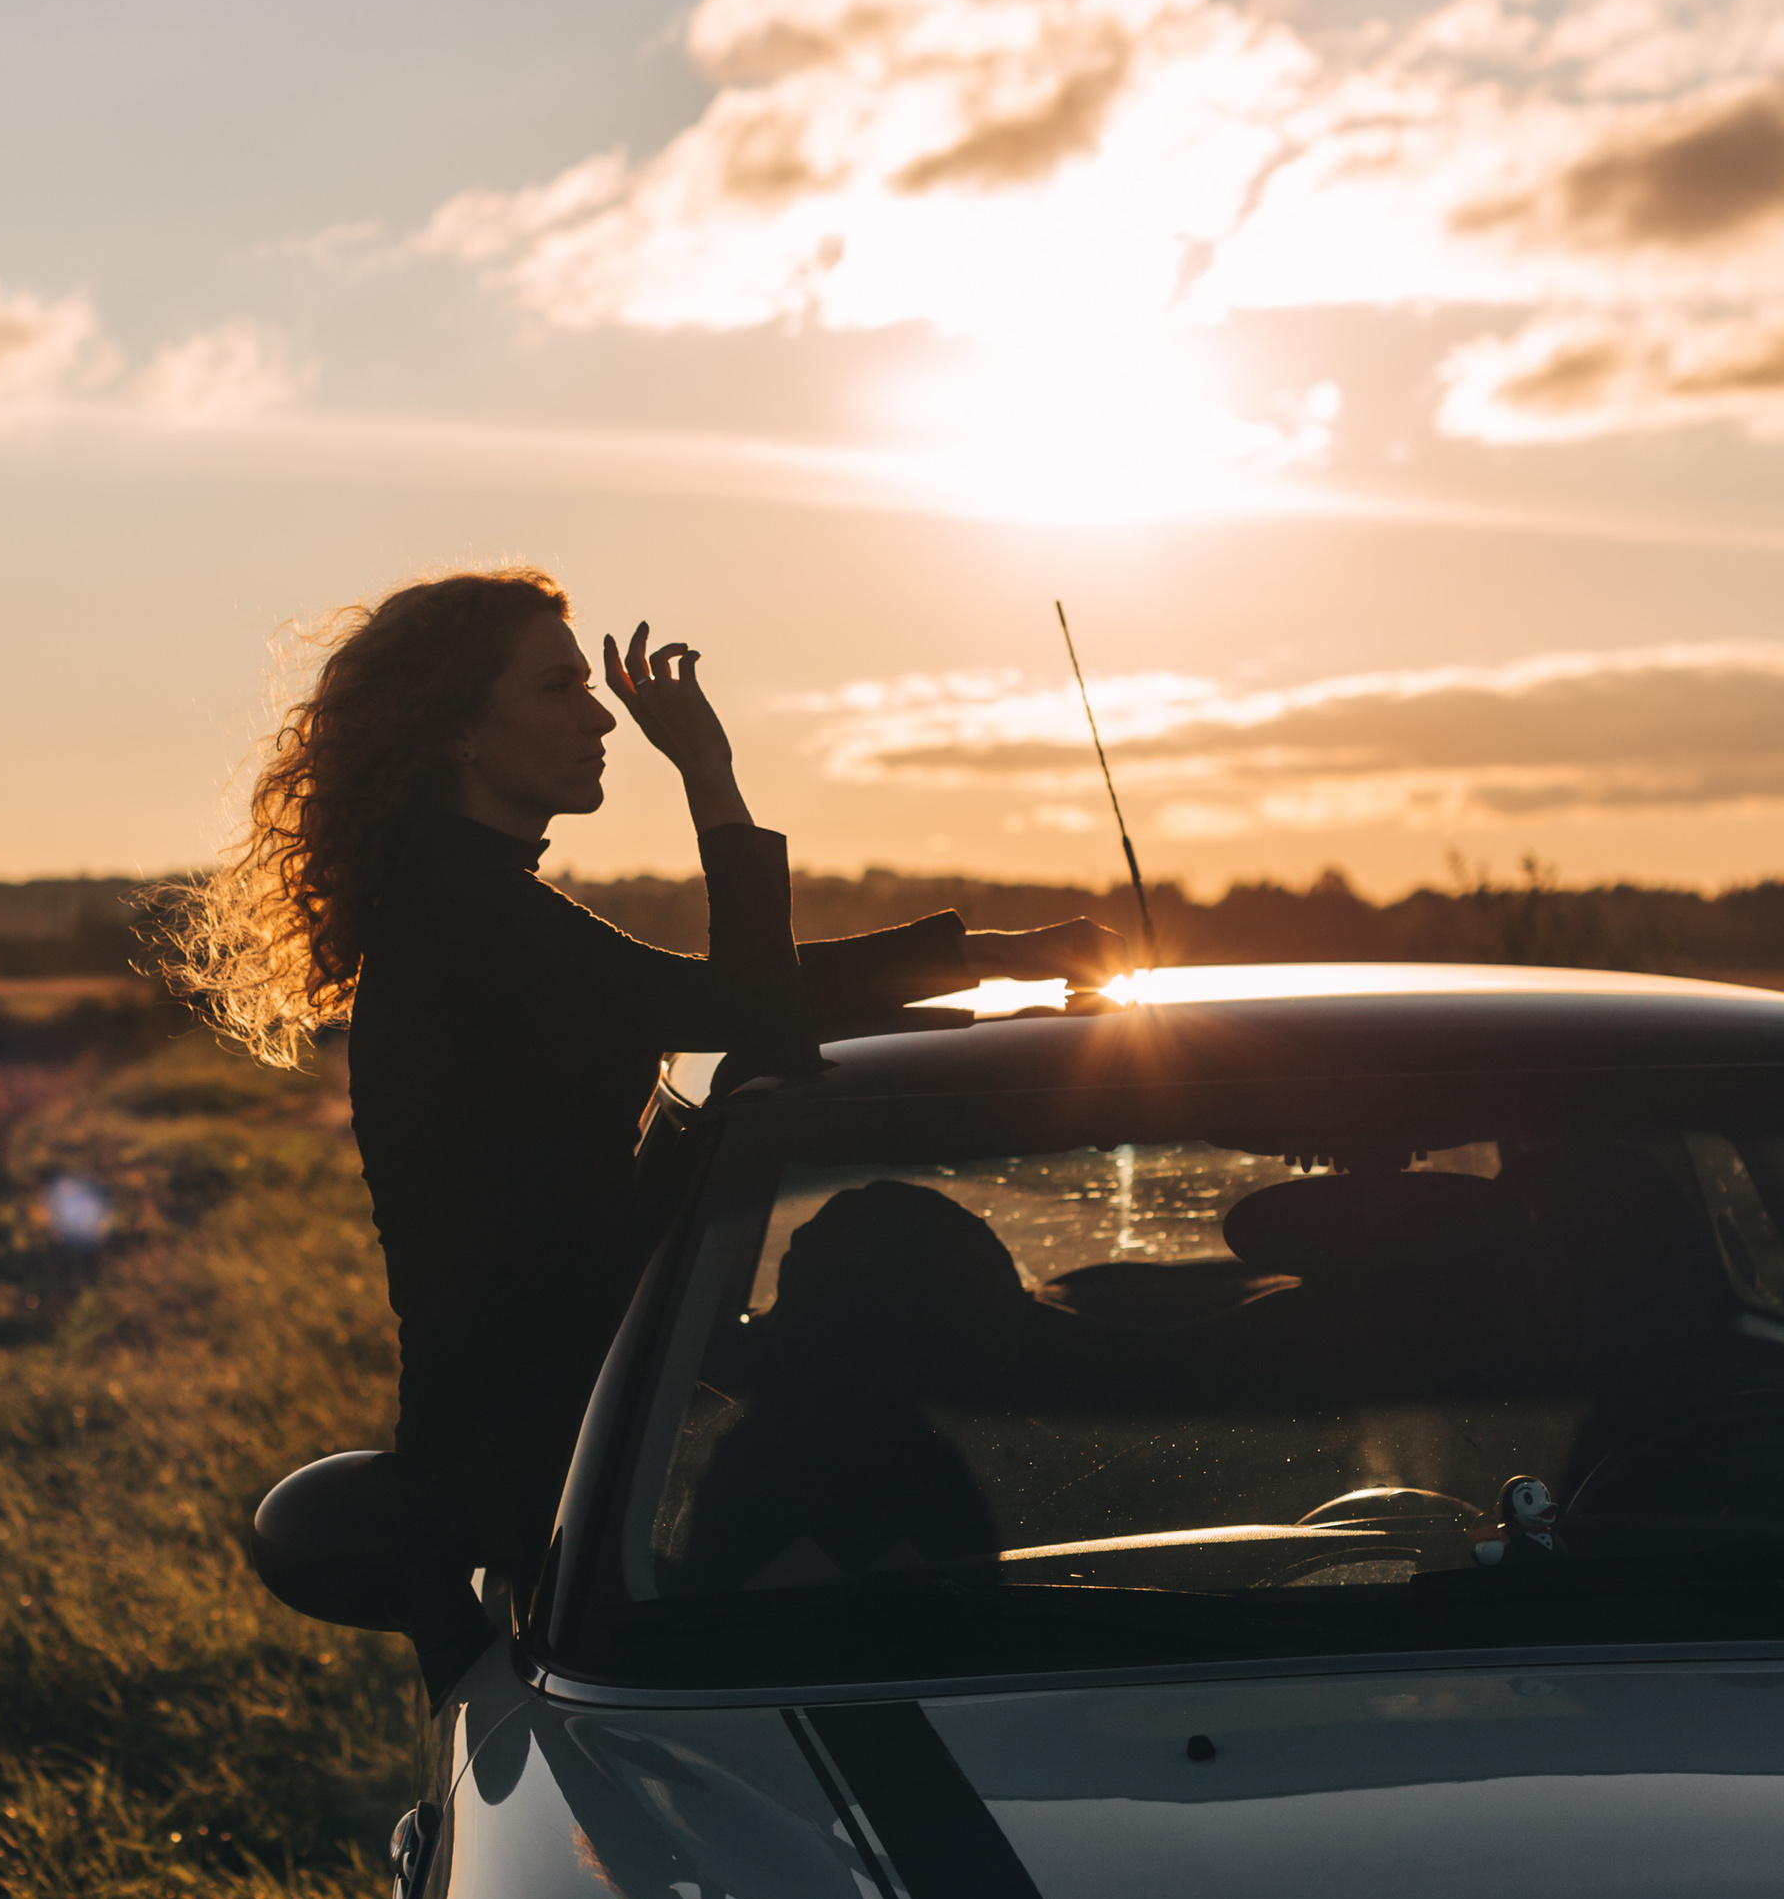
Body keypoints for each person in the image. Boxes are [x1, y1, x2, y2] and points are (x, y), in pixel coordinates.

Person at [178, 565, 1118, 1690]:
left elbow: (701, 996)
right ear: (457, 733)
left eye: (591, 685)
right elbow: (742, 1011)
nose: (598, 715)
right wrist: (710, 776)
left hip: (590, 1465)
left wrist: (995, 953)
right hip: (548, 1514)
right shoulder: (464, 920)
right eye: (558, 688)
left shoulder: (466, 906)